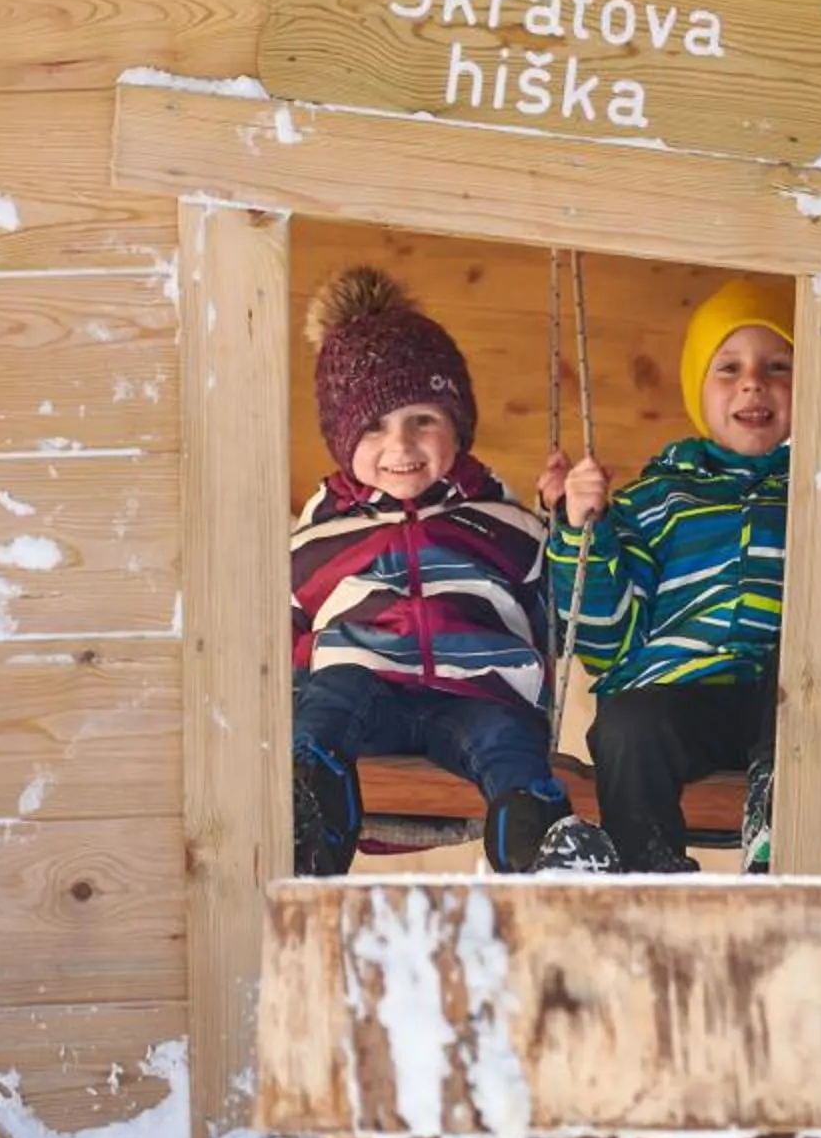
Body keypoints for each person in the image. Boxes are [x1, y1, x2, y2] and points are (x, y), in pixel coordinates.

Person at [290, 265, 584, 876]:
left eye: (422, 419)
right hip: (366, 691)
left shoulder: (506, 522)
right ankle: (308, 819)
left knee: (511, 739)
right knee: (331, 695)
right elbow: (285, 638)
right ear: (343, 439)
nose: (400, 447)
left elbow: (568, 607)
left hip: (476, 695)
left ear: (458, 425)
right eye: (374, 427)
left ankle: (542, 854)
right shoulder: (315, 538)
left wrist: (570, 523)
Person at [540, 276, 794, 873]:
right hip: (686, 697)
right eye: (727, 368)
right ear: (697, 393)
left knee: (802, 663)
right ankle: (646, 869)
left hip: (785, 705)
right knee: (628, 719)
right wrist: (581, 531)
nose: (753, 381)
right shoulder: (658, 498)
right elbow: (608, 644)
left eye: (778, 365)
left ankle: (774, 818)